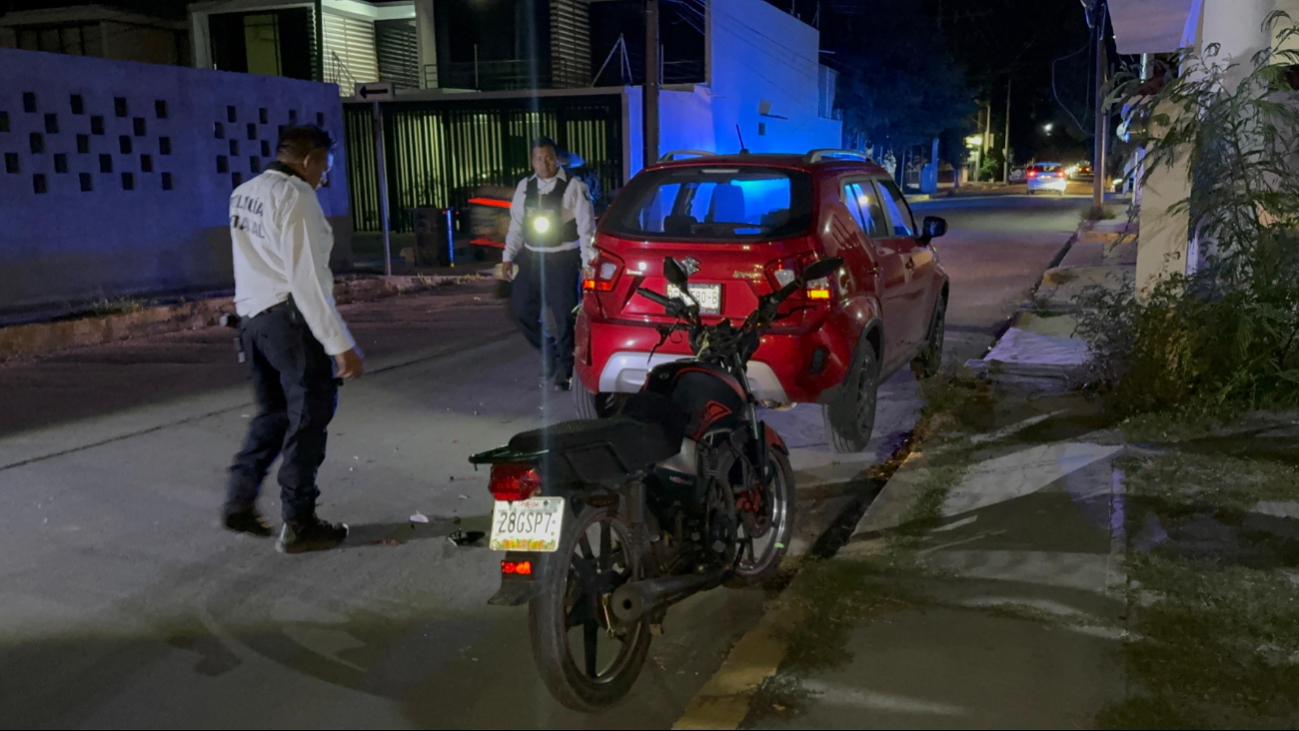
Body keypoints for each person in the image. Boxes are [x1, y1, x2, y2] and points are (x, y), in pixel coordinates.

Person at [221, 125, 364, 554]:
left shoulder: (244, 192)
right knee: (308, 418)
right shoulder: (296, 199)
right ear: (309, 159)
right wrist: (338, 342)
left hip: (253, 322)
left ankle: (239, 500)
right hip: (289, 322)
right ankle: (299, 523)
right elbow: (306, 281)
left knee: (274, 415)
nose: (326, 175)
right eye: (326, 165)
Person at [503, 137, 597, 391]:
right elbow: (516, 225)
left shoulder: (574, 187)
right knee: (521, 309)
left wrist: (588, 263)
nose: (543, 163)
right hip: (532, 257)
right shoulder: (525, 187)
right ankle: (549, 351)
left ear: (557, 159)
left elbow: (587, 229)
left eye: (548, 157)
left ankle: (565, 368)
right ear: (531, 160)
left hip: (562, 258)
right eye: (538, 158)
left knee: (565, 316)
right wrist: (507, 257)